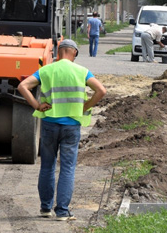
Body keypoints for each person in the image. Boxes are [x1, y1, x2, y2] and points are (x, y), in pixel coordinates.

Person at [17, 39, 107, 220]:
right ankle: (62, 212)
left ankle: (45, 208)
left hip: (50, 124)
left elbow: (22, 86)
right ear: (74, 53)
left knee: (47, 166)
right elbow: (101, 91)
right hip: (71, 126)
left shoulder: (46, 70)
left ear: (58, 53)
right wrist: (85, 106)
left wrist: (36, 105)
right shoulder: (82, 72)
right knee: (67, 168)